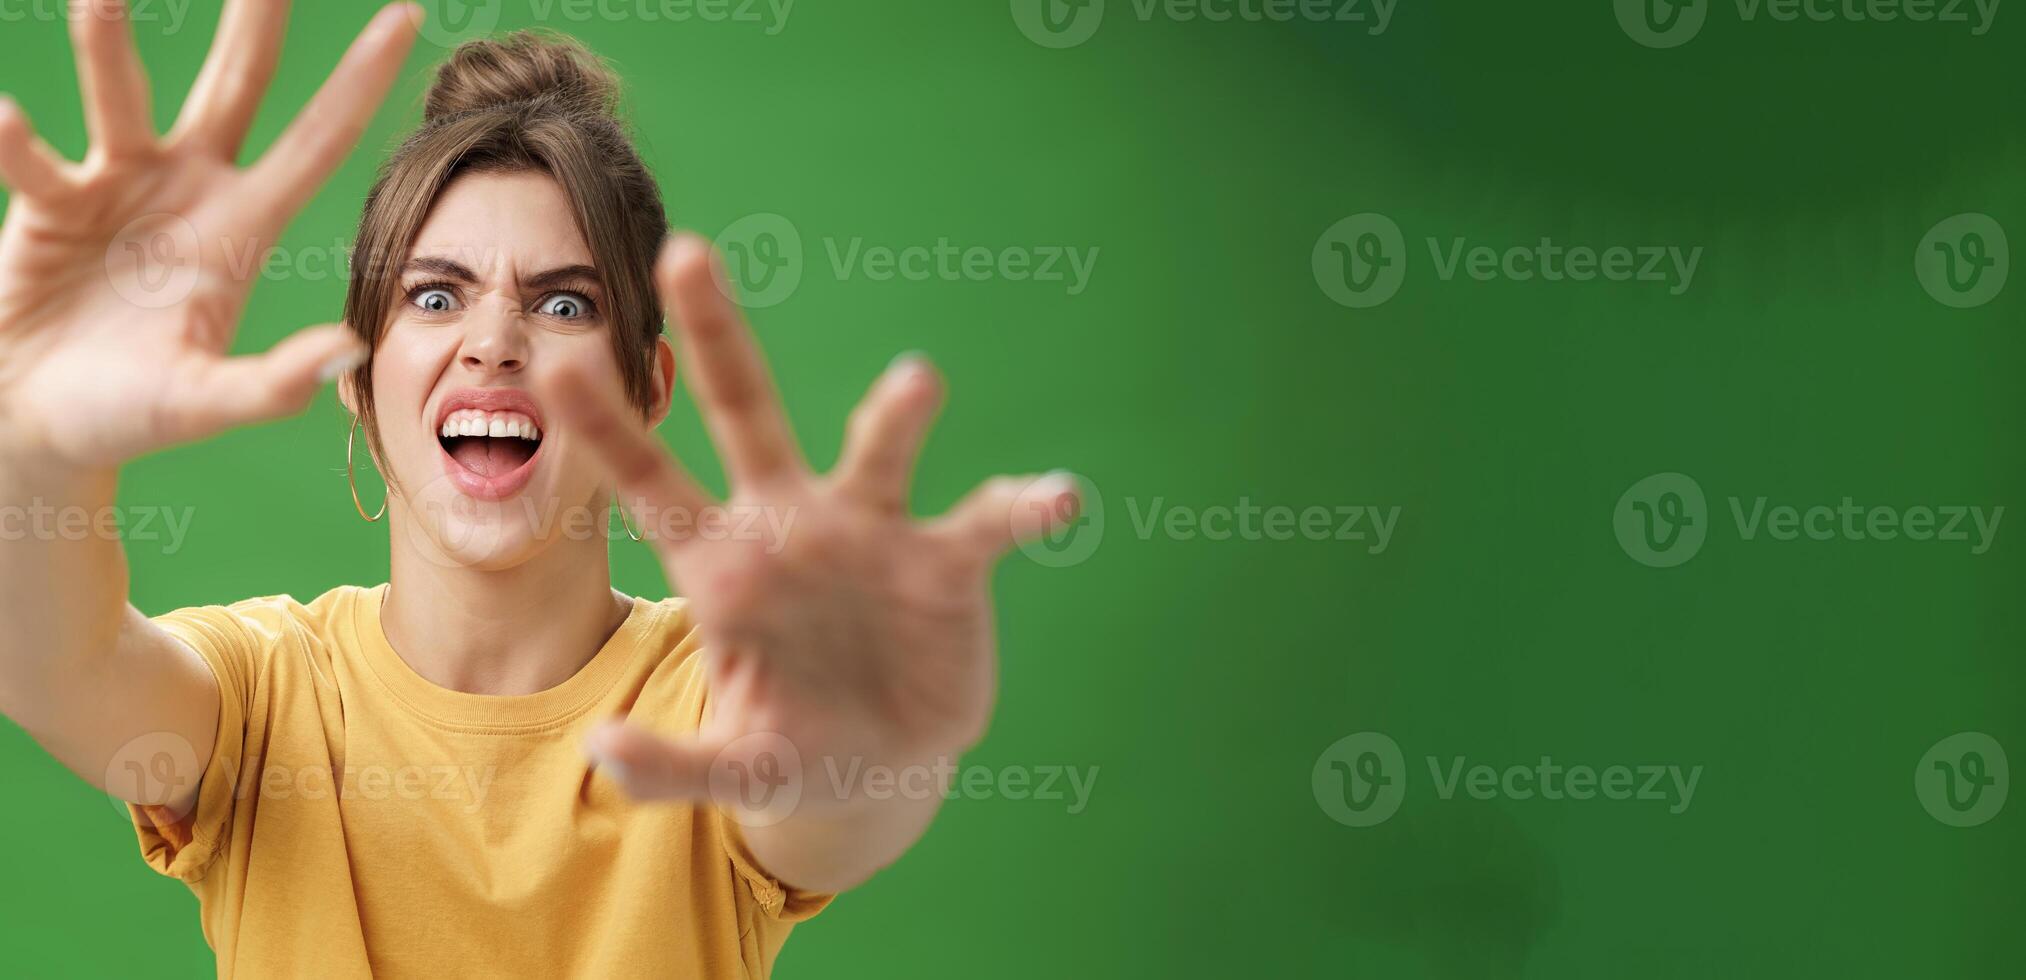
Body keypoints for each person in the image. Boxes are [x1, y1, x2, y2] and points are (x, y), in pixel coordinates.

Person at [0, 3, 1078, 976]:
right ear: (361, 383)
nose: (493, 343)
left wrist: (873, 751)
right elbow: (58, 658)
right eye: (435, 295)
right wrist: (31, 447)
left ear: (646, 386)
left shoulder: (717, 696)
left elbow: (820, 800)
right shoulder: (263, 694)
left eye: (564, 306)